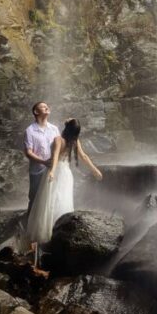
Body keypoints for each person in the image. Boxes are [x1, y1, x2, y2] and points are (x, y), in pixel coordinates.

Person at [25, 118, 104, 247]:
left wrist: (52, 171)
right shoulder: (74, 141)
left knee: (49, 201)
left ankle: (47, 232)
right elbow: (84, 156)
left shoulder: (58, 139)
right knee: (61, 200)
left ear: (66, 127)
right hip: (66, 173)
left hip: (56, 172)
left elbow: (55, 156)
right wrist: (95, 170)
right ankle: (59, 230)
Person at [24, 102, 60, 216]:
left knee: (52, 197)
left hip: (52, 169)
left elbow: (58, 149)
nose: (47, 107)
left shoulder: (54, 129)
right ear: (36, 112)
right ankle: (28, 225)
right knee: (34, 198)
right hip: (37, 170)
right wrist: (43, 162)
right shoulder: (30, 130)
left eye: (47, 106)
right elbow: (28, 152)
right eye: (43, 106)